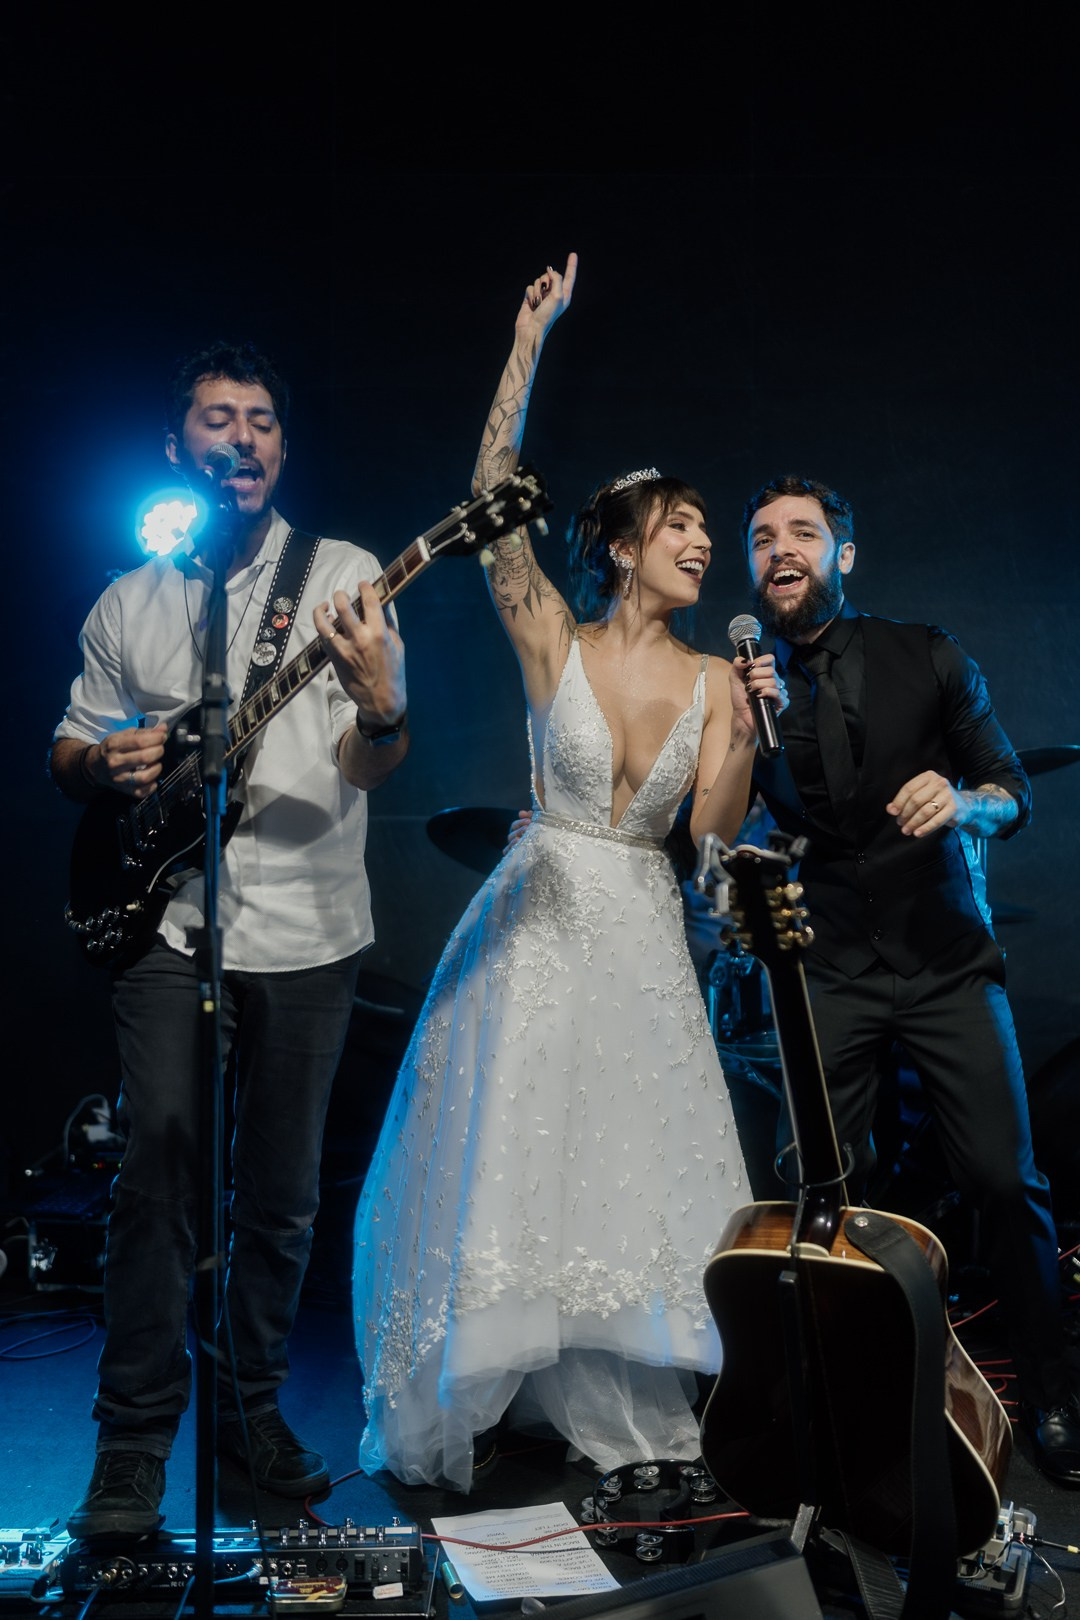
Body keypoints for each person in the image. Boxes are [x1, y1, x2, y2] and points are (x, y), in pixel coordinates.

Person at [352, 256, 786, 1492]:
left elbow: (708, 842)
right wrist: (527, 339)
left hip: (643, 927)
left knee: (625, 1157)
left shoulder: (715, 681)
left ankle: (628, 1405)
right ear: (623, 543)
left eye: (710, 531)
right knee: (519, 1150)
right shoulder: (555, 634)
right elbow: (489, 494)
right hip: (542, 916)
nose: (705, 543)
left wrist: (750, 734)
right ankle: (498, 1396)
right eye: (684, 525)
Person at [50, 339, 409, 1537]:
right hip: (168, 923)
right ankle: (135, 1443)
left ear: (282, 449)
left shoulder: (348, 574)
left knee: (282, 1196)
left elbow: (375, 762)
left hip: (311, 930)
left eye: (261, 420)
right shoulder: (129, 599)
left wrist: (380, 702)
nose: (242, 436)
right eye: (218, 417)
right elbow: (66, 751)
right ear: (178, 447)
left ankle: (251, 1410)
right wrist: (106, 762)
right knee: (156, 1169)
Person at [740, 473, 1080, 1484]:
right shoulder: (747, 690)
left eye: (803, 532)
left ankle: (1054, 1393)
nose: (780, 549)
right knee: (828, 1191)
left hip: (944, 965)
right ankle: (856, 1396)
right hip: (830, 969)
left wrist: (963, 801)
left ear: (844, 555)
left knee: (999, 1179)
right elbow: (723, 822)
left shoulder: (925, 653)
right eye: (762, 538)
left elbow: (1012, 791)